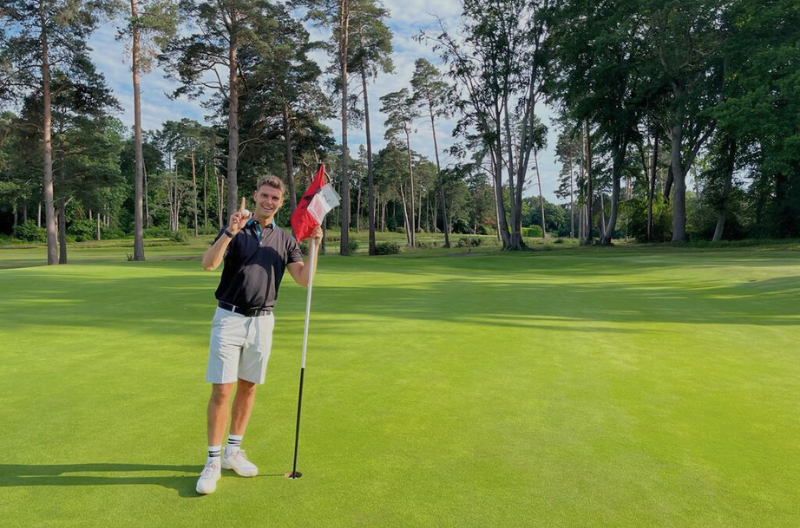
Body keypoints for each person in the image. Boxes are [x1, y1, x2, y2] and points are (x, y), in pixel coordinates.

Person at [196, 175, 322, 495]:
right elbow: (209, 264)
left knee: (248, 388)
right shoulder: (237, 229)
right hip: (229, 317)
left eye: (275, 198)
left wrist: (315, 244)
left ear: (281, 203)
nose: (269, 201)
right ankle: (212, 461)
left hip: (263, 321)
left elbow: (304, 280)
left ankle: (232, 452)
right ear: (255, 196)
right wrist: (229, 231)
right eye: (264, 195)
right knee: (223, 390)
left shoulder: (286, 240)